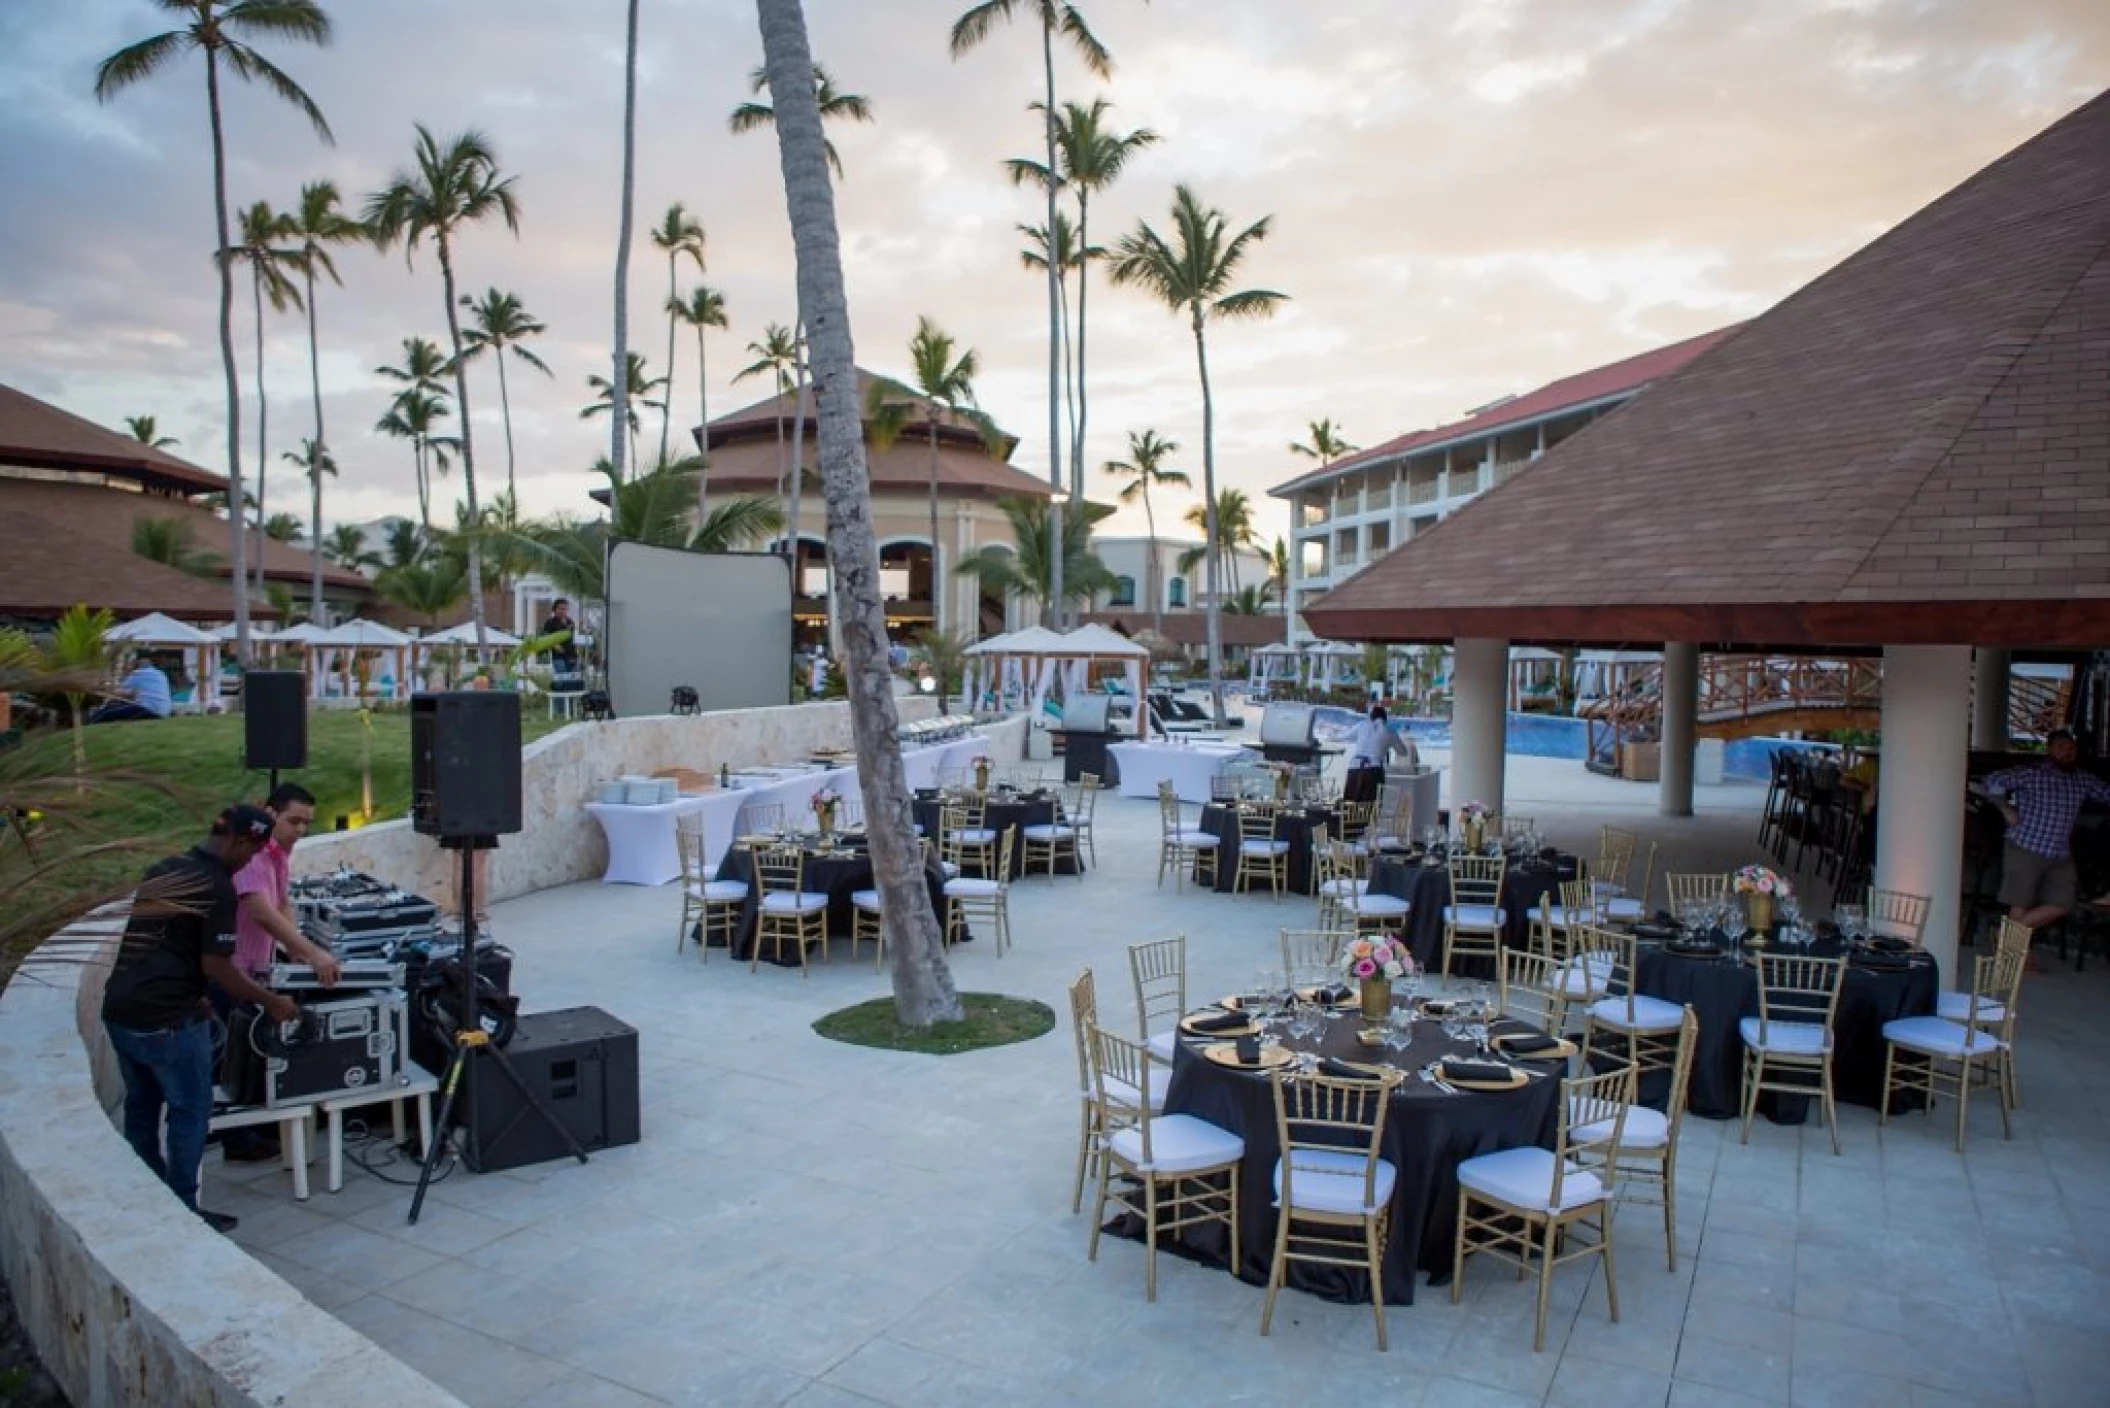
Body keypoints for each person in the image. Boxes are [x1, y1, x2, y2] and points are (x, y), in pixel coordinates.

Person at [100, 805, 298, 1232]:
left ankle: (150, 1198)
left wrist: (196, 998)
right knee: (191, 1110)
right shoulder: (217, 887)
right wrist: (271, 1002)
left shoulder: (166, 868)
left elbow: (166, 945)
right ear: (241, 841)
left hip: (120, 1010)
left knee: (142, 1105)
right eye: (252, 852)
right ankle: (183, 1213)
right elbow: (219, 968)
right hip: (166, 1022)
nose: (249, 862)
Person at [218, 783, 340, 1161]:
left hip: (259, 970)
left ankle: (244, 1131)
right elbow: (259, 910)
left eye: (306, 823)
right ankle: (236, 1139)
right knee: (230, 1058)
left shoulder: (279, 855)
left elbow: (282, 904)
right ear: (270, 814)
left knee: (245, 1054)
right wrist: (313, 953)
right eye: (294, 821)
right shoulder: (253, 857)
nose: (300, 831)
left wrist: (294, 950)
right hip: (231, 972)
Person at [1980, 729, 2110, 933]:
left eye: (2071, 748)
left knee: (2064, 903)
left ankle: (2006, 934)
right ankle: (2009, 960)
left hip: (2059, 853)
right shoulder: (2032, 773)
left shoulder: (2082, 780)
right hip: (2025, 846)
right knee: (2020, 905)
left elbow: (2106, 793)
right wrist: (2005, 809)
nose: (2067, 752)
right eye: (2061, 747)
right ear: (2049, 749)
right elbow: (1992, 780)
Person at [1344, 704, 1417, 803]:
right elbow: (1402, 752)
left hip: (1354, 767)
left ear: (1371, 717)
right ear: (1385, 718)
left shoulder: (1361, 725)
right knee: (1371, 807)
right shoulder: (1390, 731)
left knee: (1350, 806)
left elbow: (1344, 736)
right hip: (1373, 770)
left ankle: (1350, 818)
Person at [89, 653, 173, 723]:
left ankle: (90, 725)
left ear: (136, 665)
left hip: (147, 709)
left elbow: (118, 692)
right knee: (118, 709)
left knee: (105, 714)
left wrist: (103, 689)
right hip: (164, 711)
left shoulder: (137, 673)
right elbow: (134, 693)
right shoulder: (161, 674)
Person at [541, 598, 579, 677]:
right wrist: (555, 645)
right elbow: (546, 638)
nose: (563, 611)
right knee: (562, 677)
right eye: (560, 609)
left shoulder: (570, 622)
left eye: (565, 609)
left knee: (572, 677)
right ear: (554, 610)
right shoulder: (550, 622)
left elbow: (570, 637)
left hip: (571, 655)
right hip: (558, 656)